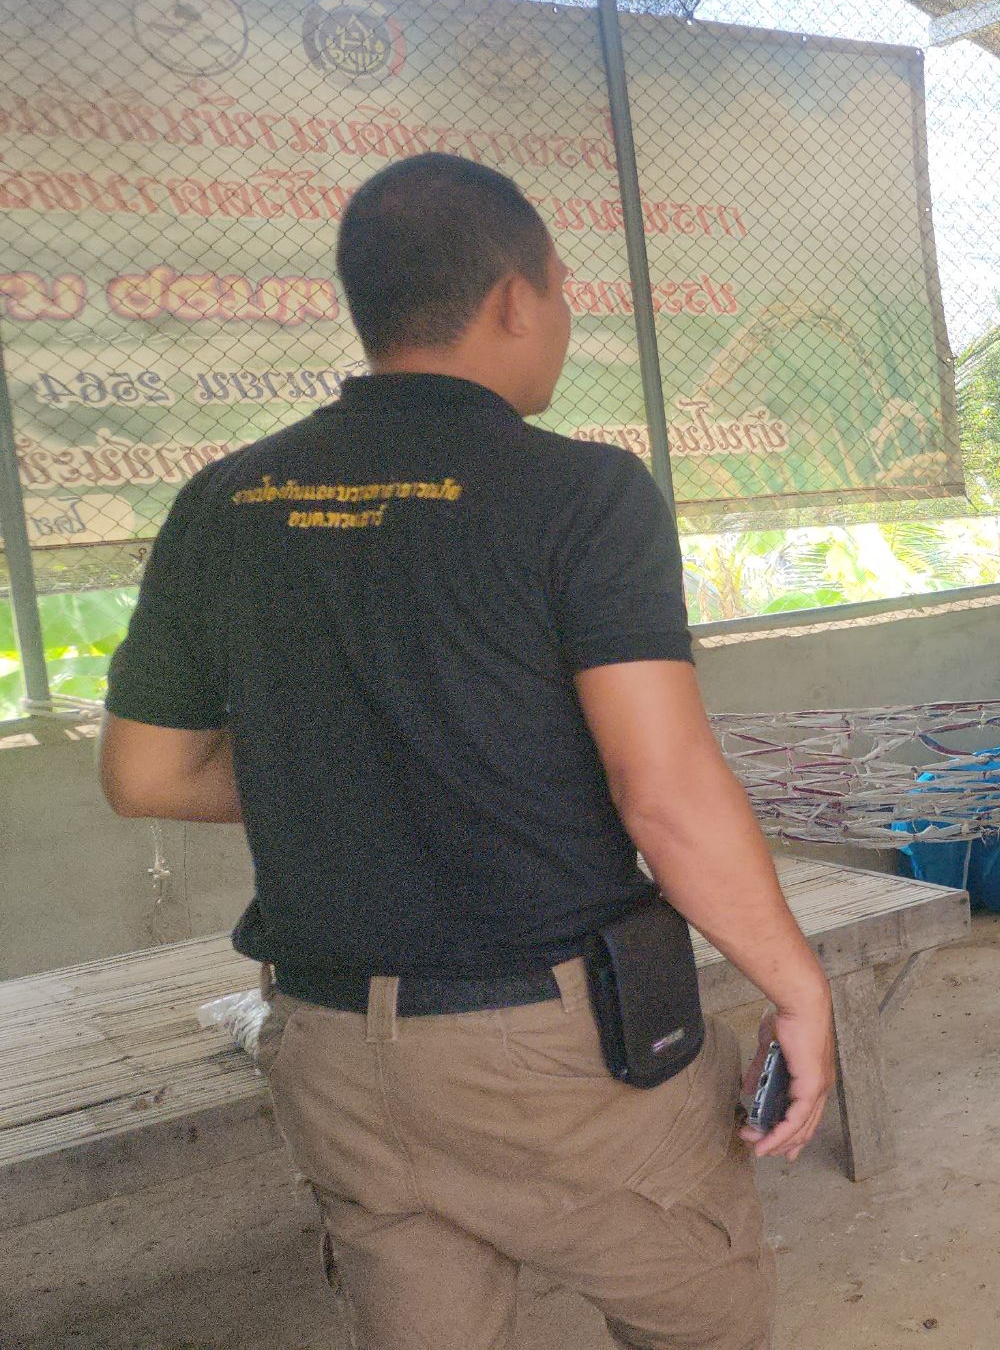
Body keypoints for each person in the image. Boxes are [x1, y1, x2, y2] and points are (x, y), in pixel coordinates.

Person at [97, 152, 830, 1349]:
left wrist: (353, 763)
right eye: (562, 291)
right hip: (551, 1049)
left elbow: (146, 774)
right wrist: (797, 990)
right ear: (511, 299)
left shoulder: (223, 500)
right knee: (700, 1314)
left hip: (333, 1049)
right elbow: (666, 794)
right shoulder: (581, 495)